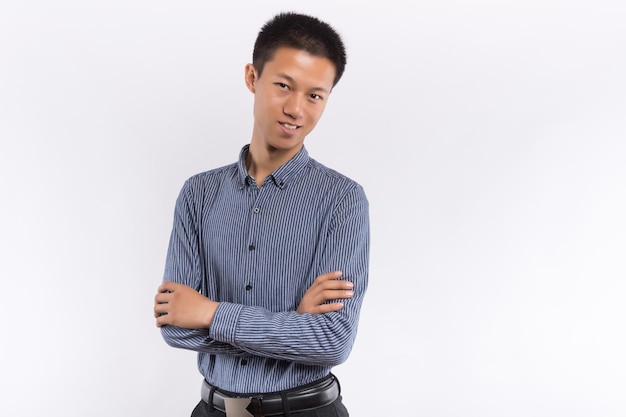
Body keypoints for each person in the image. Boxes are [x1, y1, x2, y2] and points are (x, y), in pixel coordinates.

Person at [153, 11, 369, 417]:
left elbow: (333, 340)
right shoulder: (199, 195)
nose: (296, 109)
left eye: (314, 95)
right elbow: (175, 322)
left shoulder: (343, 201)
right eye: (283, 86)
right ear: (253, 78)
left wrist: (211, 313)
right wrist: (292, 323)